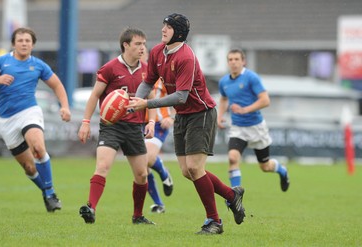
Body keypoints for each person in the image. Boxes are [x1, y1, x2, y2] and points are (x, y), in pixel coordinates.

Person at [127, 13, 245, 235]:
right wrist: (134, 101)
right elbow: (147, 81)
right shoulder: (156, 52)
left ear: (179, 33)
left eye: (168, 27)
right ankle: (232, 195)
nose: (163, 29)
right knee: (187, 171)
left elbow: (181, 96)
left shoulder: (186, 57)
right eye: (163, 25)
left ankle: (215, 221)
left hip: (201, 113)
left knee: (194, 167)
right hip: (183, 115)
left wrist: (147, 104)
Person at [0, 27, 71, 212]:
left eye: (27, 41)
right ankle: (46, 192)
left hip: (30, 111)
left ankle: (50, 192)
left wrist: (65, 106)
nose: (24, 43)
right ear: (14, 43)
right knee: (29, 167)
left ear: (33, 44)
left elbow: (57, 84)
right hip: (7, 120)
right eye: (20, 40)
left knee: (37, 147)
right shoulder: (1, 62)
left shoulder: (38, 65)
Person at [77, 27, 156, 225]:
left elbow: (151, 99)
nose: (142, 48)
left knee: (141, 174)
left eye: (144, 44)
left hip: (134, 127)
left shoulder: (147, 70)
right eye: (138, 44)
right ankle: (91, 208)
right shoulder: (110, 68)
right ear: (126, 45)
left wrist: (152, 121)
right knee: (102, 166)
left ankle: (138, 216)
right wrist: (85, 122)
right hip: (111, 126)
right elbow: (95, 96)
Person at [217, 48, 290, 192]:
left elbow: (265, 100)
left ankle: (282, 171)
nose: (234, 62)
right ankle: (235, 195)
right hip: (238, 128)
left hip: (256, 127)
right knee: (232, 158)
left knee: (265, 166)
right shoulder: (224, 81)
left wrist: (245, 109)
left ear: (243, 61)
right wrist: (220, 116)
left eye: (237, 59)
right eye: (230, 60)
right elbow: (224, 99)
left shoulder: (251, 78)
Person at [145, 79, 174, 214]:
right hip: (136, 123)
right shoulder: (132, 72)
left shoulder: (162, 76)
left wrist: (172, 117)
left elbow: (180, 96)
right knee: (141, 168)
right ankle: (158, 204)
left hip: (158, 123)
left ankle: (163, 171)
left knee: (148, 158)